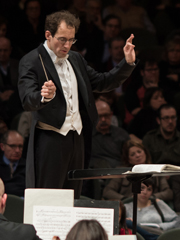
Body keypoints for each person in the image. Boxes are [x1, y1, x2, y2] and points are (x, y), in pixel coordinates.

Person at [18, 11, 137, 199]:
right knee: (49, 199)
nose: (67, 46)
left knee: (73, 198)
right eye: (62, 39)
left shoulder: (76, 58)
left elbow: (102, 82)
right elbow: (27, 99)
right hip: (51, 138)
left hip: (78, 138)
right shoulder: (31, 60)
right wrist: (43, 96)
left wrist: (127, 63)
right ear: (48, 35)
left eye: (71, 40)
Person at [102, 140, 173, 202]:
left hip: (151, 205)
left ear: (145, 152)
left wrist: (149, 198)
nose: (137, 155)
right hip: (128, 205)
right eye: (133, 154)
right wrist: (126, 199)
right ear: (128, 159)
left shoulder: (156, 170)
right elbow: (107, 191)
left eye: (139, 151)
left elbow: (168, 193)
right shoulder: (123, 172)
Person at [90, 99, 129, 168]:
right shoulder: (86, 136)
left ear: (111, 114)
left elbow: (128, 159)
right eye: (99, 116)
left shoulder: (121, 134)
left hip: (118, 173)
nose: (103, 119)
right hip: (94, 174)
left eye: (106, 115)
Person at [0, 37, 22, 126]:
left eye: (5, 50)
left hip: (17, 101)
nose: (2, 53)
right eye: (0, 50)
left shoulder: (18, 65)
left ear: (10, 50)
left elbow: (24, 84)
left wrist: (14, 94)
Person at [0, 130, 26, 197]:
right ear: (2, 147)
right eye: (12, 146)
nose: (17, 150)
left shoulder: (28, 166)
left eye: (20, 146)